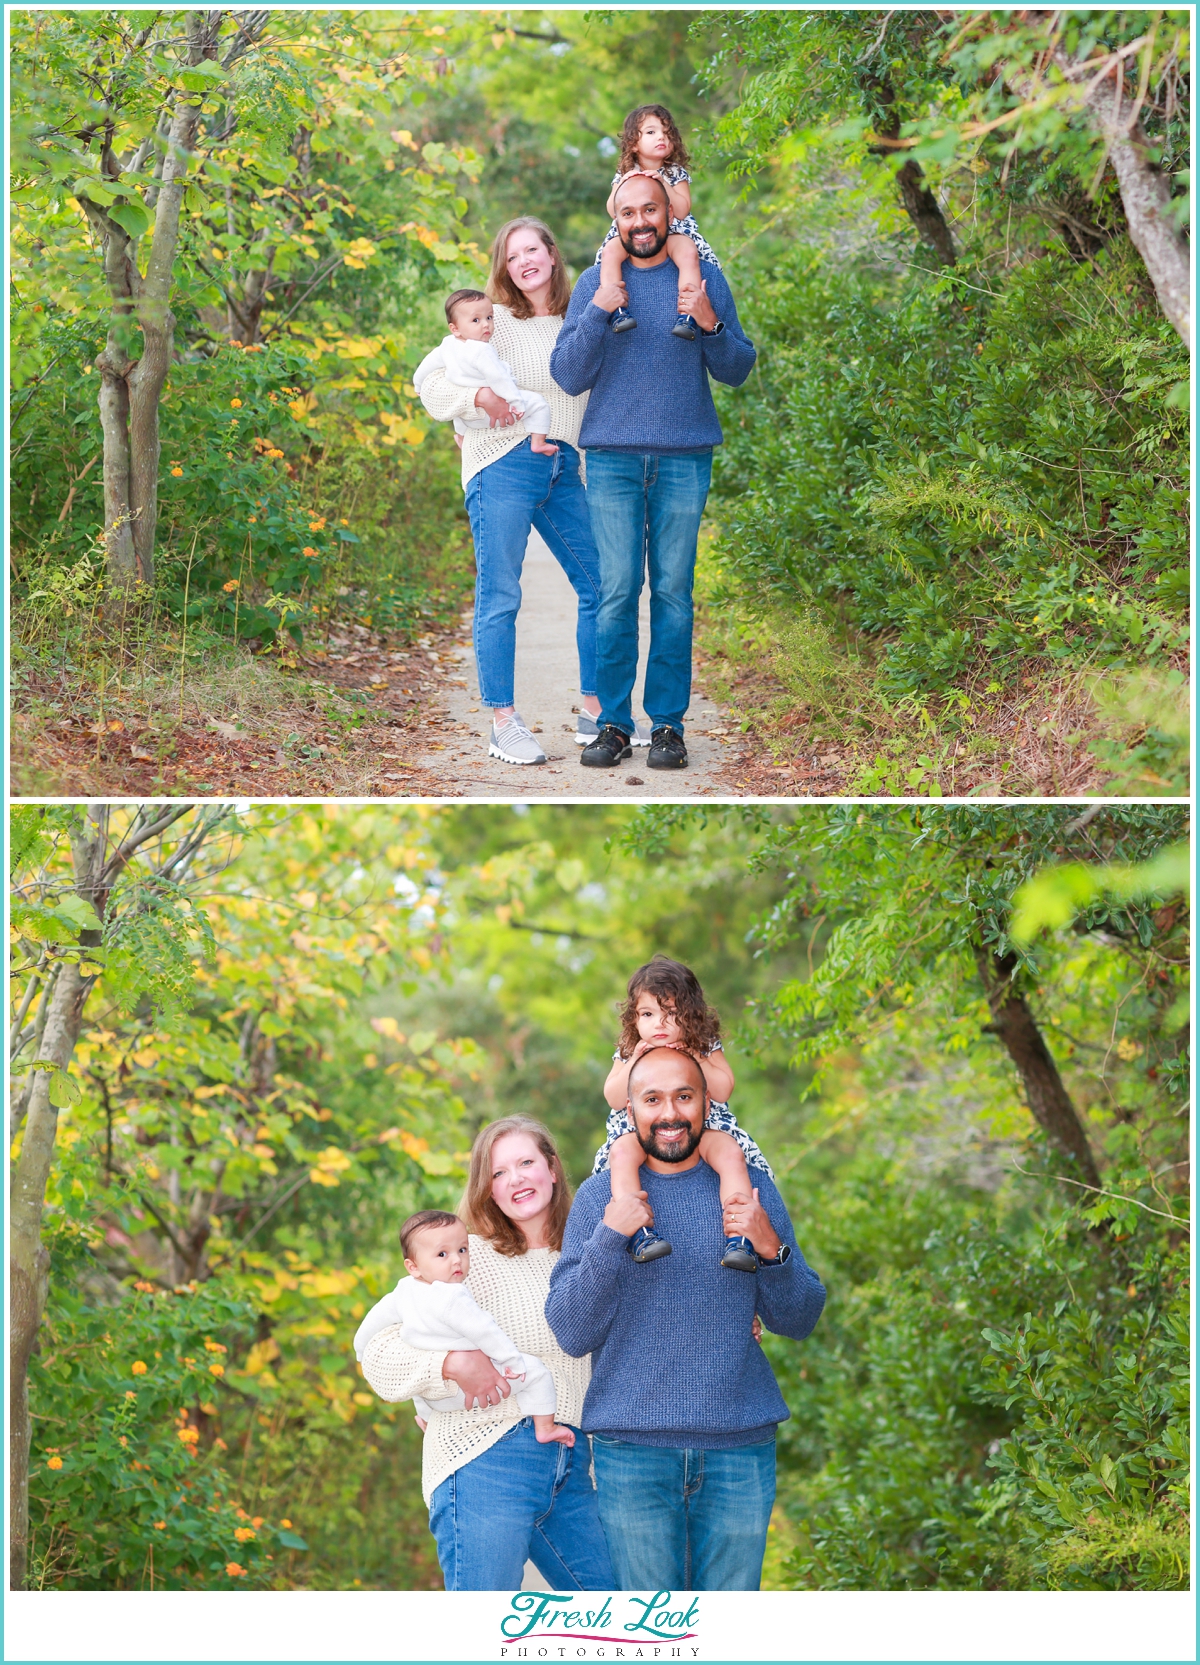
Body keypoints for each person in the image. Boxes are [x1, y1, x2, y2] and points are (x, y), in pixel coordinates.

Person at [545, 1047, 825, 1592]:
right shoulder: (600, 1196)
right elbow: (571, 1331)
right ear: (630, 1112)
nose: (669, 1112)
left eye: (684, 1096)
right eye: (653, 1099)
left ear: (706, 1104)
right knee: (654, 1635)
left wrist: (772, 1249)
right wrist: (611, 1237)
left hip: (739, 1451)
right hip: (633, 1456)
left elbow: (799, 1317)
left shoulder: (749, 1191)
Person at [549, 175, 756, 772]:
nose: (641, 221)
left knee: (672, 593)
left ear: (670, 214)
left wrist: (710, 321)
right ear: (616, 221)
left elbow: (737, 368)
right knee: (615, 594)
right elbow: (568, 375)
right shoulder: (597, 282)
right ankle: (613, 725)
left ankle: (667, 725)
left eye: (651, 210)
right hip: (612, 459)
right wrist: (597, 311)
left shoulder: (701, 278)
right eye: (629, 213)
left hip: (684, 457)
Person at [357, 1116, 613, 1592]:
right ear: (486, 1189)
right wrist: (449, 1366)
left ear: (553, 1168)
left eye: (526, 1162)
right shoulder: (458, 1257)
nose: (514, 1179)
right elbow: (377, 1351)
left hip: (573, 1461)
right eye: (498, 1173)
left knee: (623, 1612)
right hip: (485, 1458)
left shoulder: (594, 1257)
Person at [416, 218, 615, 767]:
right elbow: (429, 380)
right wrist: (476, 397)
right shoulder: (491, 319)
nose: (523, 261)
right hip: (502, 463)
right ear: (503, 267)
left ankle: (595, 711)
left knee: (600, 583)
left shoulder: (585, 316)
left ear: (552, 254)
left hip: (563, 464)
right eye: (511, 255)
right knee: (501, 593)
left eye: (532, 249)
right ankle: (503, 722)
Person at [597, 956, 768, 1271]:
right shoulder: (629, 1048)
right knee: (621, 1154)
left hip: (703, 1129)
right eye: (647, 1014)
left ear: (690, 1015)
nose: (658, 1024)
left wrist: (697, 1057)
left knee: (730, 1154)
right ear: (634, 1018)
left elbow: (723, 1089)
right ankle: (639, 1232)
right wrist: (633, 1061)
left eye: (670, 1014)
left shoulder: (702, 1044)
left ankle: (739, 1235)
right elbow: (613, 1097)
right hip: (640, 1132)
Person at [353, 1208, 571, 1445]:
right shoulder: (452, 1296)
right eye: (442, 1254)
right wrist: (511, 1361)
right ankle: (545, 1427)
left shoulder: (402, 1292)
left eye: (462, 1250)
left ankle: (425, 1421)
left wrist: (360, 1349)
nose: (457, 1259)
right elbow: (485, 1331)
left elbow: (372, 1323)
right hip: (469, 1387)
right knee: (536, 1372)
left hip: (435, 1396)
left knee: (417, 1387)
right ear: (413, 1266)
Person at [596, 103, 720, 339]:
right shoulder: (625, 172)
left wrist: (663, 184)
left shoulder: (674, 172)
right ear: (634, 143)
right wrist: (623, 185)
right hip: (633, 233)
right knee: (610, 254)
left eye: (666, 132)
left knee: (688, 254)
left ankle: (688, 313)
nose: (661, 137)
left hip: (673, 231)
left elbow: (682, 210)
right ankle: (618, 311)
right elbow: (612, 209)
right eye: (651, 132)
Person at [413, 290, 557, 456]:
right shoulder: (482, 350)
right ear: (455, 328)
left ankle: (461, 437)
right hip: (494, 412)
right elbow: (499, 379)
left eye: (489, 317)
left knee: (457, 412)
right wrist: (515, 402)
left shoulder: (447, 345)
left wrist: (418, 383)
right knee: (538, 403)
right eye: (476, 320)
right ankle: (538, 442)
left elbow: (427, 364)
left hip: (469, 416)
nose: (485, 324)